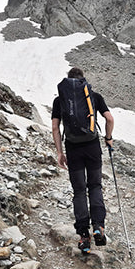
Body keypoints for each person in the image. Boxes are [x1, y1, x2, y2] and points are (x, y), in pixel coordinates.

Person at [51, 67, 114, 254]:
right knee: (95, 186)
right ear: (83, 81)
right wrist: (108, 138)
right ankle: (98, 227)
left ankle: (83, 236)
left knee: (79, 191)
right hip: (93, 147)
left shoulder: (59, 100)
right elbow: (109, 119)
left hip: (73, 148)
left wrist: (60, 152)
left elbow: (55, 127)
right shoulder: (94, 96)